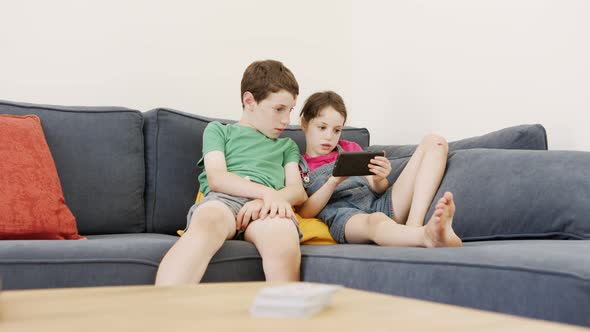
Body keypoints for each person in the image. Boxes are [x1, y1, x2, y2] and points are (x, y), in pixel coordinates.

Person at [155, 60, 307, 286]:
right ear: (249, 101)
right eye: (278, 109)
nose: (286, 120)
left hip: (268, 208)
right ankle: (164, 308)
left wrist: (265, 200)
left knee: (284, 234)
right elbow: (217, 178)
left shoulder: (287, 146)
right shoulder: (218, 131)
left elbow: (297, 191)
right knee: (207, 220)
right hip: (225, 200)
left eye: (290, 110)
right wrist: (266, 192)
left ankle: (284, 316)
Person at [297, 91, 462, 248]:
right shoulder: (297, 165)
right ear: (304, 123)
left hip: (379, 203)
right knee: (376, 220)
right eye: (322, 127)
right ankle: (422, 236)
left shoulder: (350, 148)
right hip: (345, 216)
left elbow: (379, 188)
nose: (329, 137)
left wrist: (379, 178)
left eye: (337, 130)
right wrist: (332, 182)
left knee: (435, 141)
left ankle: (414, 226)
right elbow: (305, 212)